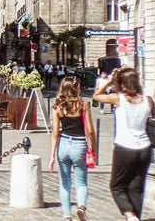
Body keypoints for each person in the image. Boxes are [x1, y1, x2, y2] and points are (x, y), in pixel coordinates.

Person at [93, 67, 154, 221]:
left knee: (117, 186)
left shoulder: (118, 98)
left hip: (125, 147)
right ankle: (135, 217)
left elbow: (96, 95)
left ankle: (130, 215)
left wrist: (110, 82)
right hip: (145, 148)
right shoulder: (148, 100)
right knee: (136, 188)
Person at [48, 75, 96, 221]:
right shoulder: (83, 105)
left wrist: (52, 156)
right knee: (81, 182)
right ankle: (81, 207)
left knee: (65, 183)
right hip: (79, 144)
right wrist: (92, 148)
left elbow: (55, 133)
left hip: (63, 144)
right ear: (76, 88)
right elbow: (90, 130)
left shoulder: (57, 107)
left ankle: (67, 216)